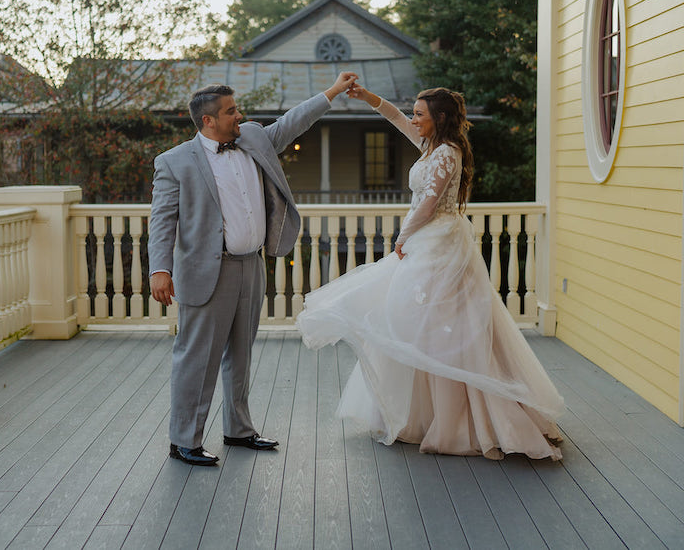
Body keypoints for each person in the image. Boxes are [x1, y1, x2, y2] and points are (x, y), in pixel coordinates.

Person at [296, 84, 565, 459]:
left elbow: (428, 204)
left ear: (439, 118)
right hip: (428, 241)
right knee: (417, 326)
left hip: (438, 246)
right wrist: (365, 96)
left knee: (442, 332)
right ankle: (422, 415)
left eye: (420, 114)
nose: (413, 118)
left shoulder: (446, 153)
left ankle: (459, 425)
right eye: (415, 113)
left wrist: (402, 237)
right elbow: (393, 116)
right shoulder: (429, 146)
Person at [149, 71, 358, 466]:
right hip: (206, 272)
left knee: (241, 354)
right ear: (208, 121)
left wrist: (331, 92)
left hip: (252, 266)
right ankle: (184, 440)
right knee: (197, 358)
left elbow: (293, 122)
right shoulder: (174, 162)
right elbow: (161, 221)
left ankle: (239, 430)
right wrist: (159, 269)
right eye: (231, 111)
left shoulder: (254, 138)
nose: (239, 116)